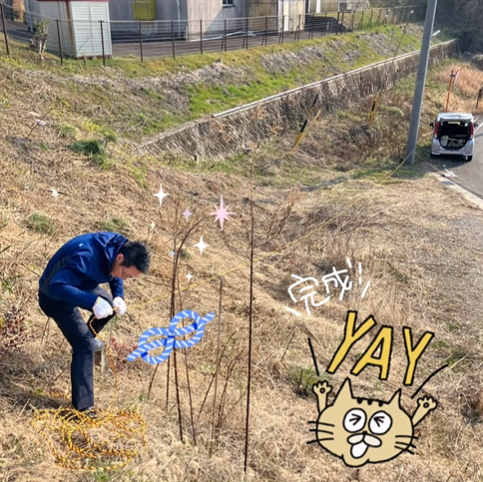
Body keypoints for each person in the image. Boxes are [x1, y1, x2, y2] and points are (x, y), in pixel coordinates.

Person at [38, 232, 150, 416]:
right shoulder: (87, 256)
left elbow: (116, 275)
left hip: (81, 283)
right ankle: (83, 409)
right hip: (53, 296)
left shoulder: (116, 249)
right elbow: (56, 286)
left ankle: (84, 343)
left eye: (129, 277)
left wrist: (118, 296)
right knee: (85, 345)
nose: (124, 278)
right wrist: (92, 302)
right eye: (125, 274)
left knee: (110, 307)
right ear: (120, 258)